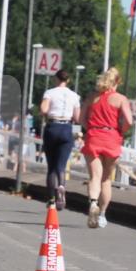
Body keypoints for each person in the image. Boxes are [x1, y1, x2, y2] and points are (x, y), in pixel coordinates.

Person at [81, 67, 133, 229]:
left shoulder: (92, 97)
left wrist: (89, 128)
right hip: (111, 138)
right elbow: (129, 121)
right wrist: (120, 131)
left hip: (94, 137)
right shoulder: (120, 99)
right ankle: (102, 214)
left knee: (94, 177)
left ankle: (93, 203)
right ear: (117, 82)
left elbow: (81, 118)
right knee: (106, 179)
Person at [40, 69, 82, 211]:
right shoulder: (74, 96)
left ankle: (51, 199)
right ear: (68, 80)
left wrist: (46, 112)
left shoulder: (50, 93)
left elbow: (44, 109)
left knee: (51, 166)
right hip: (66, 129)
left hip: (53, 127)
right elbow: (77, 118)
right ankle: (62, 186)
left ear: (56, 79)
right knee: (61, 166)